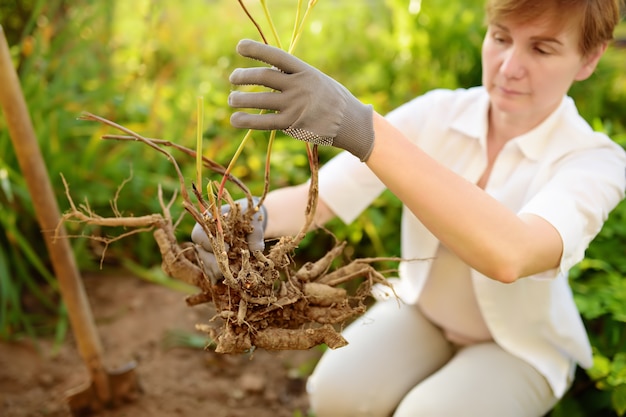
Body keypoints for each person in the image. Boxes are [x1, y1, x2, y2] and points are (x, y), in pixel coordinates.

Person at [192, 0, 626, 415]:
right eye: (500, 38)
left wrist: (366, 130)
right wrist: (248, 218)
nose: (510, 67)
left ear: (590, 58)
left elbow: (513, 254)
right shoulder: (440, 113)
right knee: (336, 397)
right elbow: (320, 200)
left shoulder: (594, 161)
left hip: (518, 347)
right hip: (423, 312)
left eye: (542, 48)